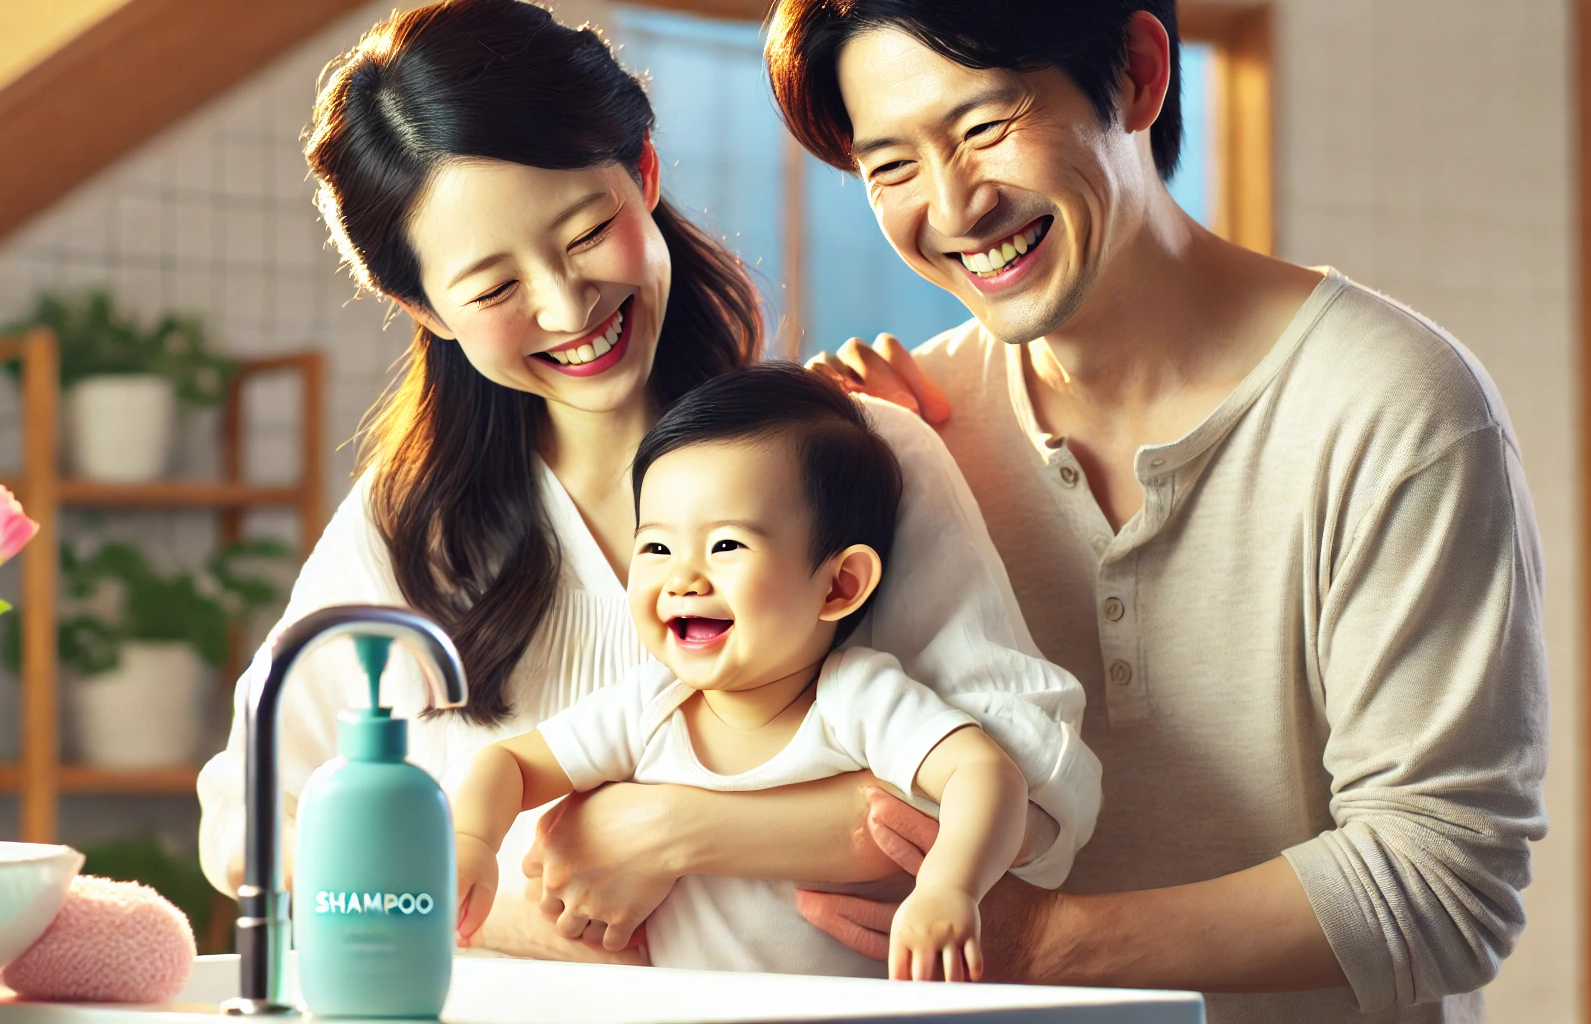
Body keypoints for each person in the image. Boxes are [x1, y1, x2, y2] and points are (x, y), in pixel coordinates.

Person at [658, 1, 1545, 1021]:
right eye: (888, 166)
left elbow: (1446, 883)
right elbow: (795, 751)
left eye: (984, 127)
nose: (952, 206)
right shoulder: (908, 440)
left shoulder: (1395, 404)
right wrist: (838, 493)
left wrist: (1041, 942)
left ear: (1135, 71)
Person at [195, 0, 1100, 966]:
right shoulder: (408, 529)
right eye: (494, 289)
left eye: (587, 232)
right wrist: (515, 916)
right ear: (424, 307)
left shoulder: (860, 451)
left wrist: (670, 828)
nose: (564, 303)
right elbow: (250, 829)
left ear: (646, 176)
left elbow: (1039, 795)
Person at [453, 364, 1049, 982]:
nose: (682, 578)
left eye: (727, 546)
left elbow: (985, 774)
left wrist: (950, 887)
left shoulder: (856, 698)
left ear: (840, 585)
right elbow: (507, 764)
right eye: (656, 548)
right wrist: (472, 840)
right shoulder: (649, 707)